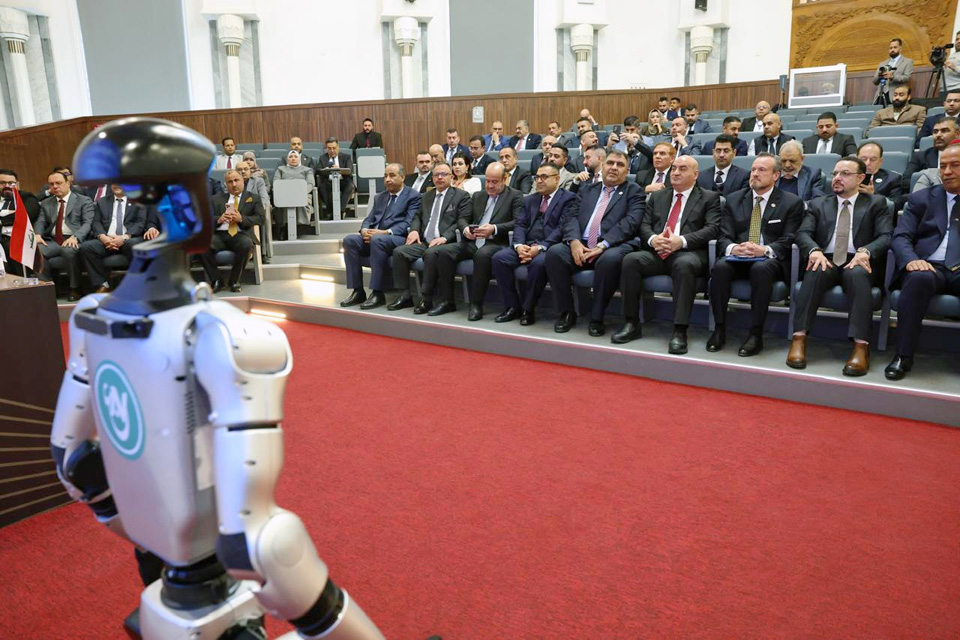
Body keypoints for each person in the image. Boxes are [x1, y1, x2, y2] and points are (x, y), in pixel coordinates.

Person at [787, 156, 892, 376]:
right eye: (835, 173)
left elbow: (885, 236)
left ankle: (861, 346)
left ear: (860, 178)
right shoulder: (818, 204)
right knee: (815, 269)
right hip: (826, 257)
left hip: (857, 258)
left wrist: (866, 251)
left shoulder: (876, 203)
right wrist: (814, 250)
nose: (837, 178)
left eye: (845, 174)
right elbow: (803, 233)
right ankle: (799, 339)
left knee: (857, 274)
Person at [612, 155, 721, 352]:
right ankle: (631, 323)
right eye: (674, 169)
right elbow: (644, 225)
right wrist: (654, 239)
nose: (676, 173)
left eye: (683, 169)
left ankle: (680, 330)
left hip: (687, 252)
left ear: (695, 174)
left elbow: (712, 229)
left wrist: (681, 241)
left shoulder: (709, 197)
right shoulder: (658, 196)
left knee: (683, 264)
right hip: (657, 251)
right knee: (630, 260)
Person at [706, 154, 805, 356]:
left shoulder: (791, 202)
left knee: (761, 268)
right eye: (753, 169)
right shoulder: (734, 199)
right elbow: (723, 235)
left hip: (769, 260)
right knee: (721, 267)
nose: (755, 174)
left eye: (762, 170)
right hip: (739, 257)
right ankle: (719, 328)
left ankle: (755, 334)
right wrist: (733, 248)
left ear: (776, 175)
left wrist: (765, 249)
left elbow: (790, 238)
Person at [545, 150, 644, 335]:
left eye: (620, 165)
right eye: (610, 163)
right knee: (554, 253)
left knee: (609, 260)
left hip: (611, 245)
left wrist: (602, 245)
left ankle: (597, 317)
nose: (614, 168)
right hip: (581, 243)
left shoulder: (634, 191)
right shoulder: (587, 189)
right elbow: (571, 217)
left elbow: (630, 223)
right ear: (603, 166)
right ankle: (567, 312)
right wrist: (574, 241)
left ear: (627, 170)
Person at [884, 142, 960, 380]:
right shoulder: (922, 199)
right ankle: (902, 356)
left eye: (955, 165)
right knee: (918, 279)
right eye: (943, 166)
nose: (947, 172)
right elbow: (901, 236)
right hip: (928, 266)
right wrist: (911, 260)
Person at [430, 162, 523, 319]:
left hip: (497, 242)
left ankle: (476, 304)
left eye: (495, 182)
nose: (490, 185)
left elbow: (518, 222)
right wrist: (465, 229)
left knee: (482, 255)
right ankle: (447, 301)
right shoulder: (479, 196)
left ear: (505, 179)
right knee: (445, 252)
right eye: (488, 181)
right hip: (473, 241)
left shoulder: (515, 196)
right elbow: (463, 218)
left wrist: (494, 228)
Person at [491, 163, 577, 325]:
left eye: (544, 177)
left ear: (557, 179)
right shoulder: (530, 199)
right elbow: (520, 224)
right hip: (526, 245)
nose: (539, 181)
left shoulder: (568, 198)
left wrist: (540, 247)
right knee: (499, 259)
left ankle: (528, 309)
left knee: (538, 264)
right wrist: (519, 245)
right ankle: (512, 306)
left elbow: (562, 228)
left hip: (549, 247)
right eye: (537, 177)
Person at [387, 162, 471, 312]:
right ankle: (405, 296)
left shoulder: (461, 196)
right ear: (432, 178)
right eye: (436, 175)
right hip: (425, 241)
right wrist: (414, 230)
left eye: (444, 174)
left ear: (451, 177)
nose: (440, 177)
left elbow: (462, 221)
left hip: (447, 242)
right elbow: (417, 217)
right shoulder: (426, 196)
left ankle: (427, 299)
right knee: (399, 252)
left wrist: (444, 237)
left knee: (431, 253)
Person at [339, 163, 421, 309]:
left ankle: (377, 293)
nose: (387, 179)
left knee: (378, 240)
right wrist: (364, 230)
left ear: (402, 177)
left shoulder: (413, 196)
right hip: (377, 237)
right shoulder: (380, 197)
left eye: (392, 175)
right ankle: (358, 291)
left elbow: (409, 222)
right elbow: (369, 219)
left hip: (399, 238)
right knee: (350, 240)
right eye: (385, 176)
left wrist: (386, 232)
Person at [197, 169, 264, 293]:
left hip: (240, 234)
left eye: (236, 180)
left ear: (242, 181)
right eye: (230, 182)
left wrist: (241, 218)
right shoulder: (215, 199)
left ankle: (234, 281)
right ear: (226, 184)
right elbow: (205, 219)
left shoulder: (253, 198)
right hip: (219, 235)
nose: (234, 184)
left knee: (246, 244)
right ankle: (216, 280)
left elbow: (260, 219)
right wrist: (218, 219)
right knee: (202, 245)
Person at [35, 171, 96, 300]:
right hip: (53, 240)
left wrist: (76, 237)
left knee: (68, 250)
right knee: (36, 250)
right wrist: (37, 234)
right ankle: (47, 288)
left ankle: (75, 288)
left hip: (74, 239)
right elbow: (40, 221)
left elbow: (88, 223)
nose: (55, 186)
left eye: (58, 183)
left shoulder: (83, 200)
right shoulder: (46, 203)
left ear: (68, 183)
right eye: (51, 184)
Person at [79, 185, 147, 293]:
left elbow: (140, 222)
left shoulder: (138, 201)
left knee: (134, 245)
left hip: (128, 239)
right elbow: (96, 222)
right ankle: (102, 284)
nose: (116, 185)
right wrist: (102, 237)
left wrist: (124, 237)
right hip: (107, 239)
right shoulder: (102, 201)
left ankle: (137, 284)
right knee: (86, 247)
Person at [0, 168, 41, 276]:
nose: (7, 186)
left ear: (18, 184)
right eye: (2, 183)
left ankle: (21, 281)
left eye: (11, 183)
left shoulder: (26, 197)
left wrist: (1, 220)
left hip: (16, 237)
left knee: (11, 247)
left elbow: (25, 215)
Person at [904, 117, 957, 186]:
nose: (938, 135)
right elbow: (906, 182)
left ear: (958, 134)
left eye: (944, 131)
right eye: (935, 132)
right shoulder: (920, 157)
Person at [274, 150, 315, 230]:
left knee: (299, 200)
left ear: (299, 159)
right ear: (287, 159)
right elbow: (276, 182)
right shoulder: (280, 169)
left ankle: (299, 226)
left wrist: (299, 193)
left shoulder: (307, 170)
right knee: (281, 201)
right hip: (284, 195)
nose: (293, 158)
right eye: (290, 157)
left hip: (302, 195)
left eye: (295, 157)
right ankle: (284, 227)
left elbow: (310, 184)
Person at [872, 38, 914, 106]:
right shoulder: (882, 63)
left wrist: (892, 77)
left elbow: (907, 78)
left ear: (900, 48)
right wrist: (879, 76)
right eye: (890, 48)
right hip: (880, 96)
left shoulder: (907, 62)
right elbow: (874, 81)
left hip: (896, 96)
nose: (892, 50)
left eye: (895, 47)